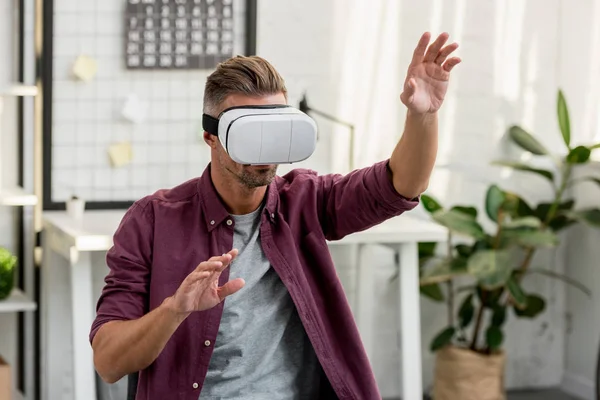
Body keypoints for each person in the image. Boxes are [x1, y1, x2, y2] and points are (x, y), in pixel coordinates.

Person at [90, 31, 460, 400]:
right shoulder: (152, 221)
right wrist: (174, 310)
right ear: (211, 136)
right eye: (249, 131)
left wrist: (422, 117)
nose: (265, 150)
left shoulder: (306, 200)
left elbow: (401, 185)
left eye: (275, 129)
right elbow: (108, 362)